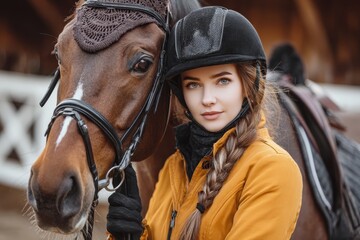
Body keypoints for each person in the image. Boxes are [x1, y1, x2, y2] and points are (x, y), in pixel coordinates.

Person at [106, 6, 303, 240]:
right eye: (193, 85)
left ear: (247, 84)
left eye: (222, 81)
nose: (207, 99)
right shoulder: (173, 168)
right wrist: (126, 236)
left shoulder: (273, 170)